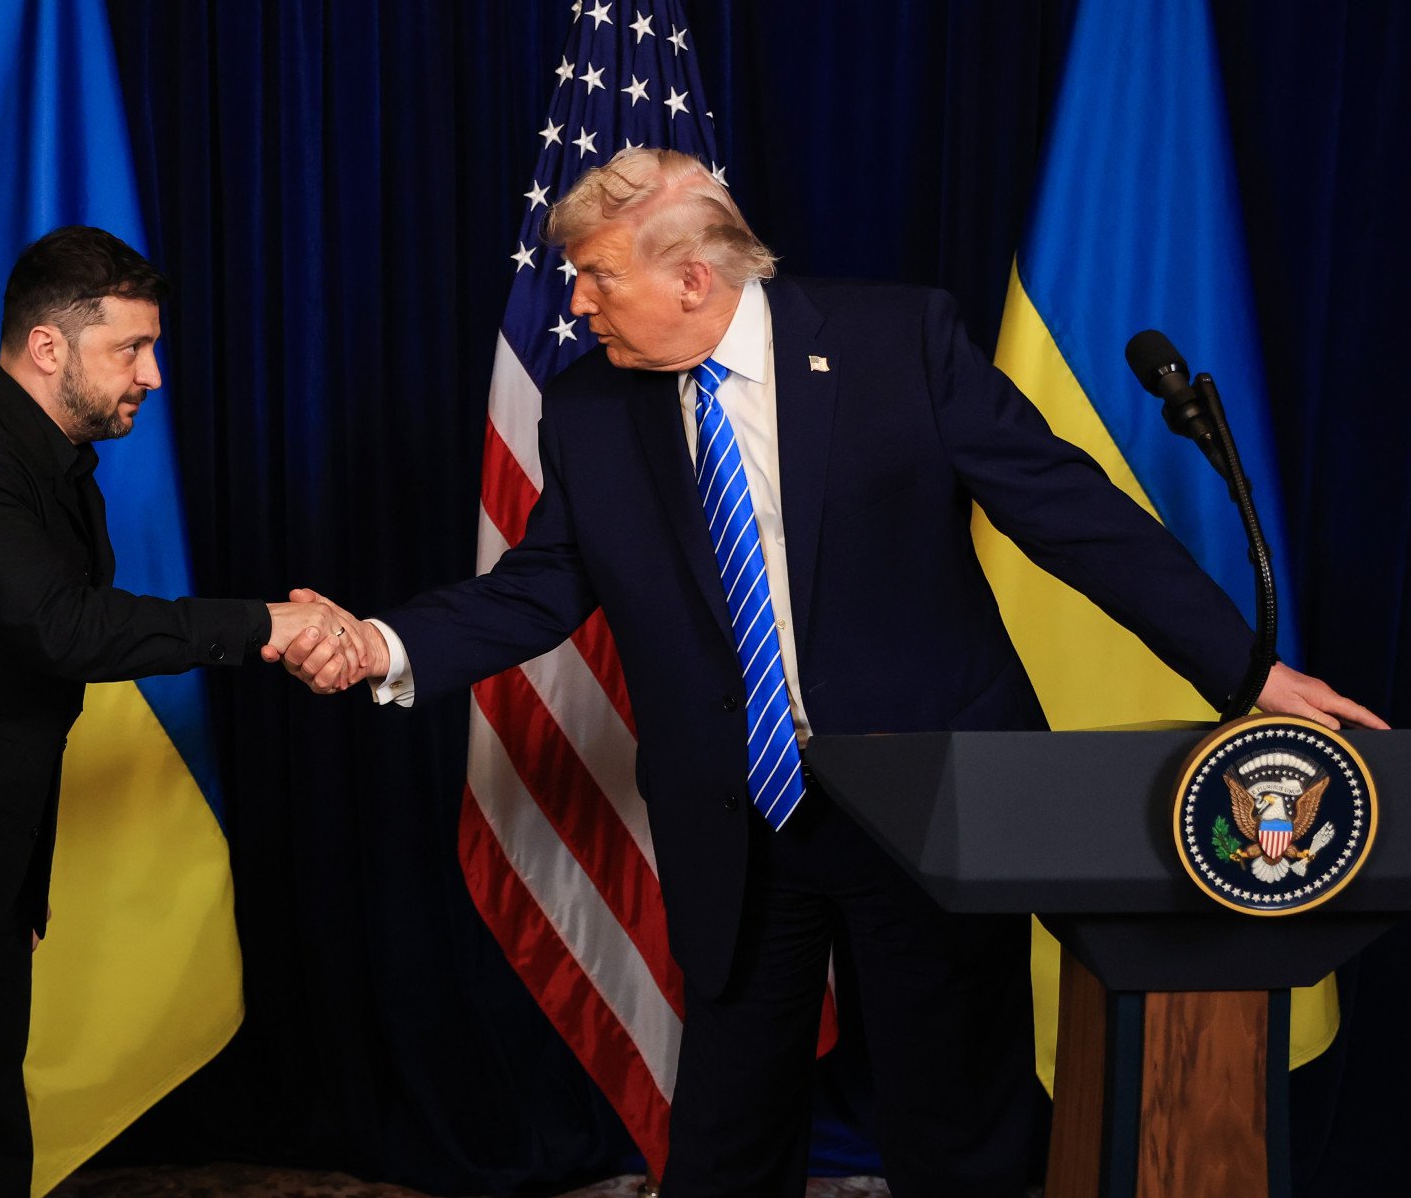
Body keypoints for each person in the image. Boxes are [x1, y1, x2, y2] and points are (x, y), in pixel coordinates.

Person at [279, 149, 1384, 1196]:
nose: (576, 304)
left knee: (955, 1125)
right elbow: (541, 583)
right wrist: (383, 644)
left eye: (597, 277)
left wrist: (1248, 675)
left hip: (935, 794)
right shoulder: (588, 409)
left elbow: (1075, 518)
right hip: (741, 809)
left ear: (693, 278)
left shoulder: (898, 339)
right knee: (726, 1128)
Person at [0, 226, 360, 1197]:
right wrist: (268, 624)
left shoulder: (58, 468)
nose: (153, 374)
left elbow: (20, 691)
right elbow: (67, 632)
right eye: (132, 347)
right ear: (49, 347)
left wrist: (20, 882)